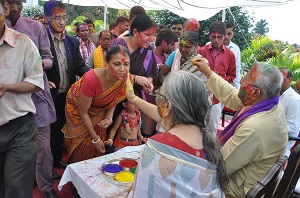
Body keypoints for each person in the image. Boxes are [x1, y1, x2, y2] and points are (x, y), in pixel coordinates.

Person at [193, 59, 288, 197]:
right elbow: (233, 97)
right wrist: (208, 72)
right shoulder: (267, 102)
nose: (241, 81)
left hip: (238, 189)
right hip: (245, 174)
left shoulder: (255, 128)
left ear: (255, 92)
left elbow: (220, 166)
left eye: (245, 79)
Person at [125, 71, 228, 197]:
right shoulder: (211, 150)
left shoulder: (157, 149)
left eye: (159, 95)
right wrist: (133, 99)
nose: (157, 99)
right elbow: (164, 117)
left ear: (167, 106)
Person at [5, 0, 59, 195]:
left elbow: (49, 59)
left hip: (36, 94)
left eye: (18, 3)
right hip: (9, 102)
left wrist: (33, 64)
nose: (14, 8)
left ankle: (46, 187)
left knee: (43, 147)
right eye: (10, 3)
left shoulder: (35, 27)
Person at [62, 45, 147, 163]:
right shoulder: (91, 79)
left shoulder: (124, 78)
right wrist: (96, 139)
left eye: (126, 64)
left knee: (97, 151)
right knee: (81, 147)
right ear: (106, 63)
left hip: (98, 112)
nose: (122, 69)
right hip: (78, 111)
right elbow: (82, 112)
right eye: (117, 64)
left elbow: (114, 98)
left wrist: (109, 117)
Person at [0, 0, 44, 197]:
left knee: (16, 189)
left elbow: (36, 82)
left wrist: (7, 87)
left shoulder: (23, 43)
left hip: (19, 129)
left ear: (5, 10)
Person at [44, 1, 90, 172]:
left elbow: (79, 65)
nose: (62, 22)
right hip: (47, 94)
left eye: (64, 17)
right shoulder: (41, 40)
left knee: (59, 129)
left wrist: (91, 74)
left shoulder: (72, 42)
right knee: (45, 132)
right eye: (57, 18)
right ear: (47, 18)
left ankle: (55, 160)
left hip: (65, 94)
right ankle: (43, 167)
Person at [199, 21, 236, 138]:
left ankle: (208, 155)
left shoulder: (230, 55)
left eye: (219, 37)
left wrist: (219, 80)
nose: (216, 40)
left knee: (212, 127)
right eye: (213, 37)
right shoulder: (201, 51)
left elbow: (232, 75)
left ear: (224, 37)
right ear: (209, 36)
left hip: (216, 97)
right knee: (197, 125)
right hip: (200, 94)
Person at [279, 68, 300, 156]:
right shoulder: (272, 94)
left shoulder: (295, 99)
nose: (278, 80)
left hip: (280, 148)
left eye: (282, 78)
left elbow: (292, 129)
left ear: (290, 80)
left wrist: (269, 127)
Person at [224, 20, 241, 89]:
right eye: (224, 33)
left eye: (229, 34)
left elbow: (237, 69)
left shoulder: (236, 49)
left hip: (228, 85)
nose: (226, 36)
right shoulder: (209, 46)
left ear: (233, 33)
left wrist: (237, 88)